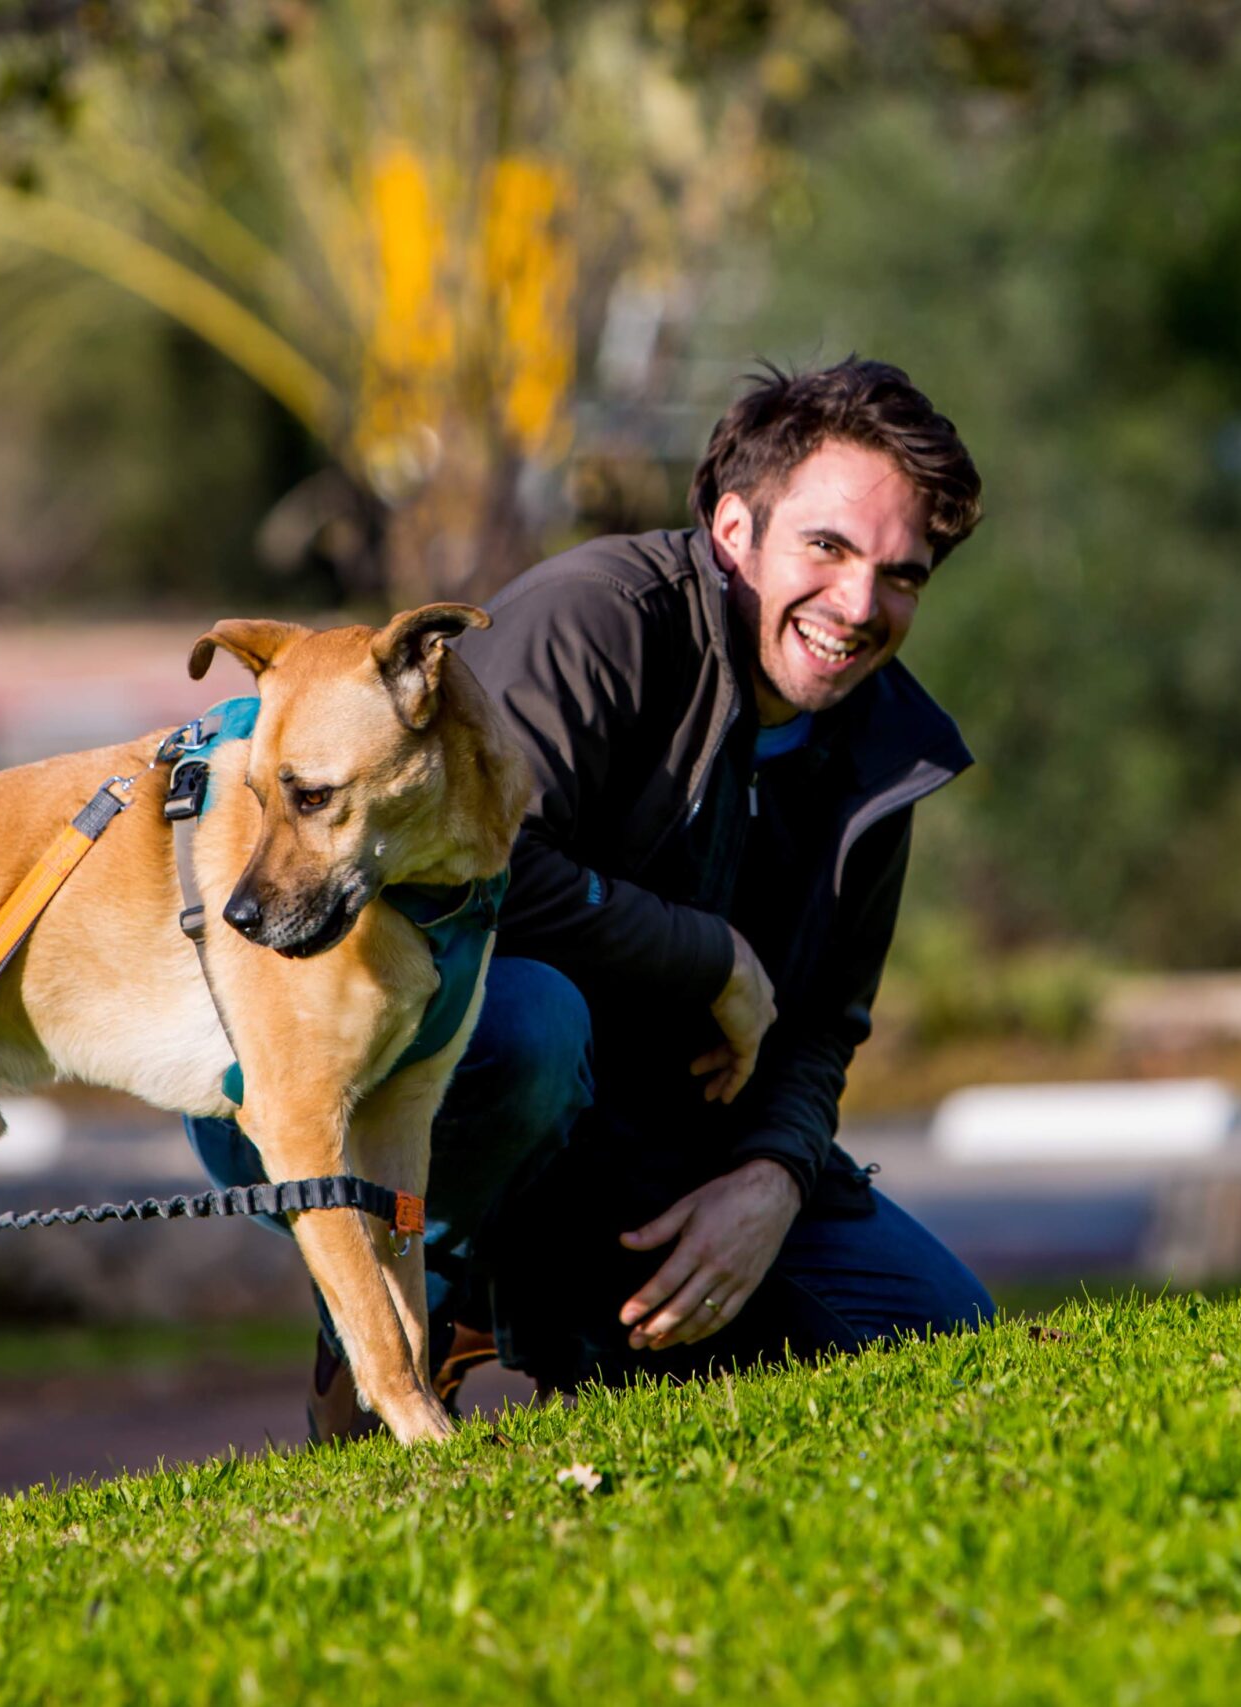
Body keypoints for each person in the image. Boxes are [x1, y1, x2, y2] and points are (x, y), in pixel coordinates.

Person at [192, 356, 997, 1433]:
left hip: (643, 1138)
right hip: (371, 1080)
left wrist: (771, 1180)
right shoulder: (599, 618)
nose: (860, 605)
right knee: (535, 1025)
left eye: (902, 575)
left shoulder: (888, 746)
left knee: (937, 1324)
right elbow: (480, 871)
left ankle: (578, 1321)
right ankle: (415, 1311)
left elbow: (821, 1029)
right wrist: (705, 954)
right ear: (731, 531)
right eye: (828, 547)